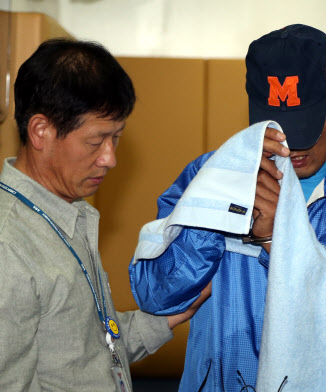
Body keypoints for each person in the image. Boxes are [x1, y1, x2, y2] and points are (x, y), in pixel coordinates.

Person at [129, 24, 326, 391]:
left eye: (306, 125)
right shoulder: (207, 176)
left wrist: (278, 241)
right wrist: (214, 215)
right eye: (277, 124)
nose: (292, 146)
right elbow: (156, 297)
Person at [0, 38, 208, 391]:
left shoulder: (69, 214)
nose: (110, 158)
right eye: (97, 142)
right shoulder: (9, 245)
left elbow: (90, 351)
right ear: (41, 131)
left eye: (117, 138)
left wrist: (171, 314)